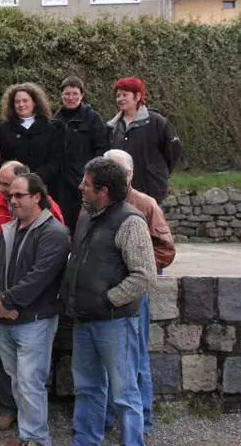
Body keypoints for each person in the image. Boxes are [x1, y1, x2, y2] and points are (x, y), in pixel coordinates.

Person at [62, 157, 156, 446]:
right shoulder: (88, 215)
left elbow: (144, 276)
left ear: (102, 191)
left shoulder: (130, 221)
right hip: (85, 320)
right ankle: (87, 441)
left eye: (86, 184)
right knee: (88, 388)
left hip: (115, 322)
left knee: (125, 394)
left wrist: (108, 300)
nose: (80, 187)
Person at [0, 173, 70, 446]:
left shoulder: (54, 233)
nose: (12, 200)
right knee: (18, 381)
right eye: (10, 196)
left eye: (19, 195)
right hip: (5, 320)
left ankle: (37, 440)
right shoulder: (9, 229)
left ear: (37, 197)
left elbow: (39, 278)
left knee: (31, 383)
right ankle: (28, 435)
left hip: (34, 322)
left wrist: (4, 302)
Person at [103, 149, 176, 438]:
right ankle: (107, 417)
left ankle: (142, 421)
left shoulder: (145, 204)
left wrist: (135, 266)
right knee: (106, 358)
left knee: (136, 357)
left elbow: (166, 249)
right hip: (105, 291)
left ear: (130, 174)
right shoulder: (98, 202)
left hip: (134, 292)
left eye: (115, 169)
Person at [106, 76, 184, 203]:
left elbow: (173, 152)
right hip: (122, 194)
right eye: (118, 96)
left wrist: (157, 172)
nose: (120, 99)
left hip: (151, 192)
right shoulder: (113, 126)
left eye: (125, 95)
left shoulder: (158, 122)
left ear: (137, 96)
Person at [53, 76, 109, 232]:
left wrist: (92, 175)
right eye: (67, 94)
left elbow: (101, 149)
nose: (71, 98)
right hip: (61, 184)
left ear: (82, 95)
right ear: (61, 95)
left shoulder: (92, 118)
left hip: (84, 180)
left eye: (75, 94)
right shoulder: (55, 120)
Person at [0, 83, 64, 196]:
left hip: (45, 187)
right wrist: (15, 176)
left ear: (34, 102)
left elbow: (55, 160)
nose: (21, 104)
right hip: (13, 188)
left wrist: (35, 179)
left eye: (25, 100)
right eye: (17, 102)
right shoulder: (3, 129)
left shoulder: (52, 128)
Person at [0, 161, 65, 244]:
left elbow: (58, 241)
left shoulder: (49, 207)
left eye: (6, 184)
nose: (0, 189)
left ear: (22, 181)